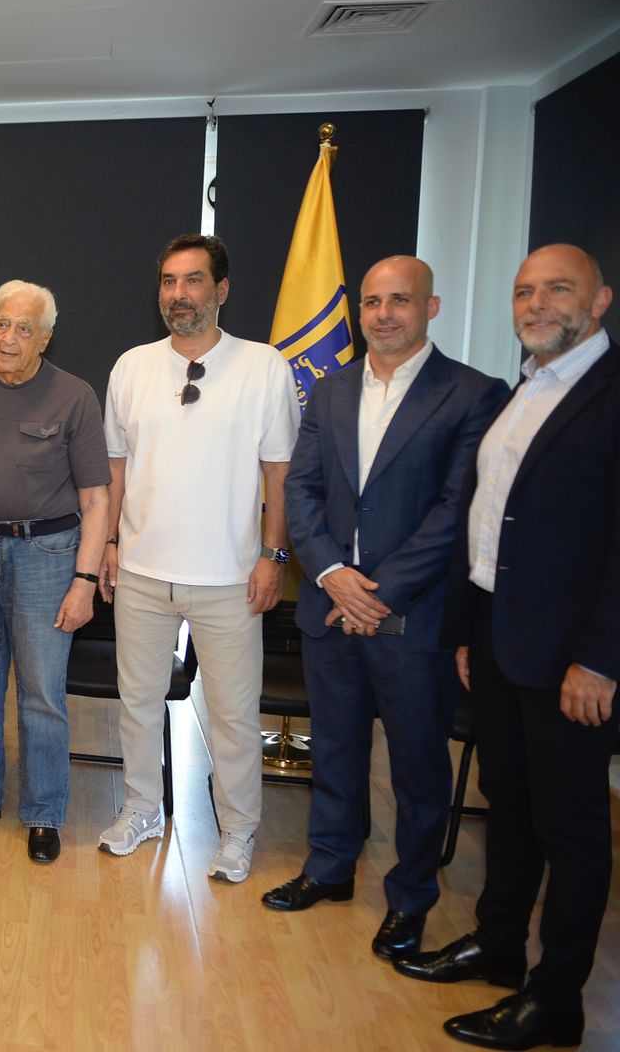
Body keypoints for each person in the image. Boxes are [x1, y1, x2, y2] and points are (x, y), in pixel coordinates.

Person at [397, 244, 618, 1051]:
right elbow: (487, 517)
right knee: (510, 804)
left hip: (572, 659)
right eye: (525, 291)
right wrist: (466, 632)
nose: (537, 304)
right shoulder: (526, 386)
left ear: (599, 301)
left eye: (558, 289)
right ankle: (497, 946)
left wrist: (602, 658)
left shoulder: (608, 394)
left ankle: (555, 999)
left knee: (571, 828)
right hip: (497, 637)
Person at [264, 257, 508, 958]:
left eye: (400, 300)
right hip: (330, 607)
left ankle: (410, 897)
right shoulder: (331, 389)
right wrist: (332, 574)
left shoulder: (473, 394)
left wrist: (377, 591)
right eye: (372, 301)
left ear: (431, 307)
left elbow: (456, 509)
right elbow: (301, 491)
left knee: (417, 767)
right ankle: (330, 867)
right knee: (335, 748)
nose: (383, 314)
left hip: (414, 616)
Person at [97, 234, 299, 882]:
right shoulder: (131, 367)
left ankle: (237, 832)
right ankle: (141, 809)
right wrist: (108, 545)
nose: (178, 294)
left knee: (234, 714)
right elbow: (115, 469)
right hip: (141, 573)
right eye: (168, 281)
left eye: (192, 281)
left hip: (230, 577)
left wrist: (273, 555)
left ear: (222, 289)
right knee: (137, 702)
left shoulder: (263, 366)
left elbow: (279, 473)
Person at [0, 281, 110, 863]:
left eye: (24, 329)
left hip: (46, 556)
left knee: (41, 692)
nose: (8, 338)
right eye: (1, 324)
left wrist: (85, 581)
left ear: (46, 338)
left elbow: (97, 499)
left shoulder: (75, 396)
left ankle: (43, 811)